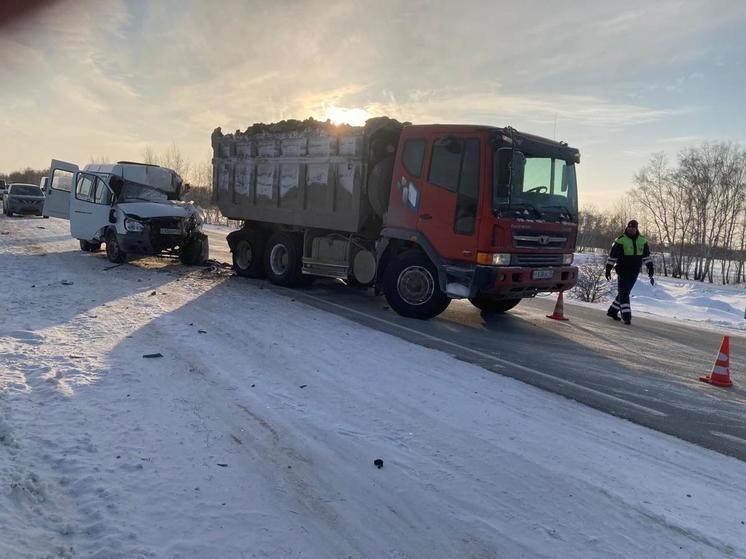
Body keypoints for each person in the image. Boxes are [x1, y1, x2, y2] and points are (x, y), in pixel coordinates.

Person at [605, 219, 654, 325]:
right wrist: (608, 269)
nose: (631, 229)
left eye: (634, 228)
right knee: (624, 293)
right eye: (630, 227)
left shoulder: (643, 240)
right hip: (623, 270)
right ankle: (626, 316)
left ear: (637, 229)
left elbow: (646, 256)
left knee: (625, 292)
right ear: (627, 227)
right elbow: (612, 256)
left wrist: (650, 268)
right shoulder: (620, 240)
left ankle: (612, 311)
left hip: (635, 271)